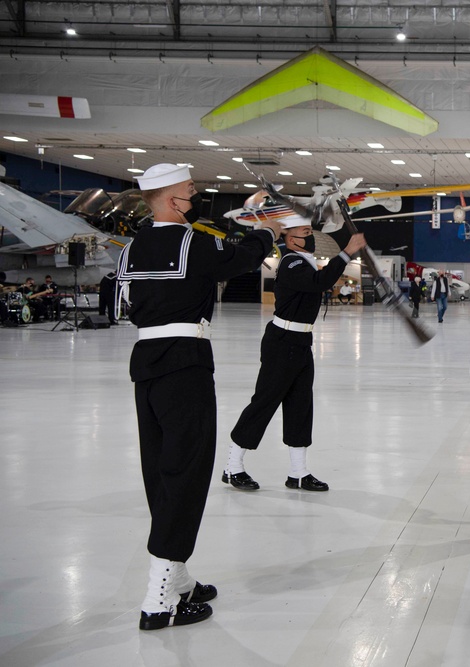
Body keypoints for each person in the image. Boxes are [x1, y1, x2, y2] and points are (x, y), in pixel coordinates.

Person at [117, 163, 282, 631]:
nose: (197, 198)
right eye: (191, 192)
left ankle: (179, 578)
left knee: (161, 470)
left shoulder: (132, 247)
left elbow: (126, 305)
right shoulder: (193, 241)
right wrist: (264, 229)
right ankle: (159, 601)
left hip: (145, 363)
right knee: (187, 473)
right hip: (185, 364)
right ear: (172, 201)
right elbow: (242, 258)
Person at [224, 215, 365, 492]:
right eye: (304, 232)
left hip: (300, 341)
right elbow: (319, 281)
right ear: (290, 239)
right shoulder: (292, 261)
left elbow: (319, 280)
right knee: (264, 402)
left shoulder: (304, 261)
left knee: (301, 405)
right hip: (282, 341)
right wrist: (347, 252)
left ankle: (298, 473)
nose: (309, 236)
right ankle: (232, 467)